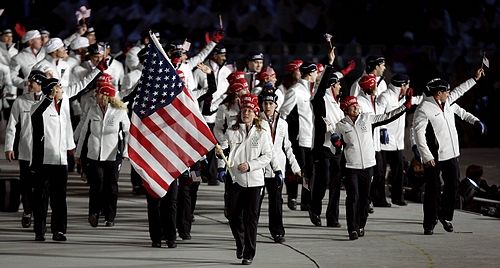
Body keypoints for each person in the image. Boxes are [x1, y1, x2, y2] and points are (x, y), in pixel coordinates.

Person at [30, 58, 107, 242]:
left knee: (59, 198)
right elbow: (37, 113)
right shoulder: (37, 107)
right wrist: (49, 97)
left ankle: (59, 230)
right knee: (41, 198)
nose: (64, 91)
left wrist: (72, 149)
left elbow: (81, 85)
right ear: (51, 91)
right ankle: (39, 230)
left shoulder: (63, 102)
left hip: (60, 160)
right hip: (43, 160)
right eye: (60, 89)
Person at [412, 68, 485, 235]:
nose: (449, 92)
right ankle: (429, 223)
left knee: (453, 187)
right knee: (433, 189)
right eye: (447, 91)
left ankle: (445, 216)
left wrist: (474, 78)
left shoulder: (448, 102)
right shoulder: (424, 108)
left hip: (451, 154)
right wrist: (426, 155)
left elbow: (460, 91)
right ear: (439, 93)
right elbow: (418, 134)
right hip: (434, 157)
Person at [335, 92, 412, 240]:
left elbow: (387, 116)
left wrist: (404, 107)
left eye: (356, 104)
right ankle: (352, 229)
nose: (356, 107)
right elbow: (335, 143)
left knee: (364, 198)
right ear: (346, 109)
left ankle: (361, 224)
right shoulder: (341, 125)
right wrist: (336, 142)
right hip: (351, 167)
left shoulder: (367, 119)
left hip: (368, 166)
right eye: (352, 106)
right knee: (353, 197)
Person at [216, 93, 273, 265]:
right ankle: (240, 243)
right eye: (243, 110)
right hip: (235, 180)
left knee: (251, 219)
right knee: (233, 215)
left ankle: (249, 252)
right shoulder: (232, 130)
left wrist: (251, 165)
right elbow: (225, 149)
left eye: (249, 110)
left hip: (255, 181)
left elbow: (268, 155)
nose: (246, 113)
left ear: (255, 112)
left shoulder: (262, 130)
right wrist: (220, 158)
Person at [75, 82, 130, 228]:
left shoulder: (119, 111)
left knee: (111, 186)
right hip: (94, 154)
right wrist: (78, 153)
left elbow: (127, 132)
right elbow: (84, 132)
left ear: (105, 96)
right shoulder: (92, 110)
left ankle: (110, 216)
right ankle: (94, 213)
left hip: (113, 155)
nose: (95, 95)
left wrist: (126, 151)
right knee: (96, 184)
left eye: (98, 93)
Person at [4, 70, 47, 228]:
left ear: (41, 84)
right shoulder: (20, 101)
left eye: (32, 82)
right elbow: (11, 126)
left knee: (42, 186)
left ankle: (40, 216)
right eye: (29, 82)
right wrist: (9, 147)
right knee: (26, 185)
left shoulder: (50, 100)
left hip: (45, 153)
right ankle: (28, 211)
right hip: (26, 151)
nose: (28, 84)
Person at [258, 89, 301, 243]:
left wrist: (296, 167)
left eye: (271, 103)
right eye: (265, 103)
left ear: (276, 105)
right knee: (256, 200)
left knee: (276, 201)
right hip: (261, 168)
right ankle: (250, 229)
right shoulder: (258, 122)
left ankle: (277, 231)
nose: (268, 106)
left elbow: (287, 146)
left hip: (278, 168)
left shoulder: (283, 123)